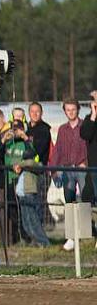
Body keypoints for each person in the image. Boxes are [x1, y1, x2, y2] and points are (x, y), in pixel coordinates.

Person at [50, 98, 88, 251]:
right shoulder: (62, 129)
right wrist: (54, 170)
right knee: (69, 202)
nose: (71, 112)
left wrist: (86, 162)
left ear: (78, 110)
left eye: (73, 109)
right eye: (68, 110)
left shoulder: (84, 126)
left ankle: (88, 234)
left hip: (83, 169)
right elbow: (58, 150)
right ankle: (71, 237)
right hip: (67, 170)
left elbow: (90, 146)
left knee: (87, 200)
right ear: (65, 111)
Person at [0, 108, 27, 244]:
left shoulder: (8, 133)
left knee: (6, 208)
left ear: (3, 118)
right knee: (3, 208)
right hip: (1, 176)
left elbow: (1, 153)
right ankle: (7, 237)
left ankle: (8, 238)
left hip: (8, 175)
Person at [13, 144, 50, 247]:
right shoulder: (24, 167)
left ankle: (43, 241)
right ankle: (35, 240)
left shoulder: (34, 164)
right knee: (26, 222)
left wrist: (19, 164)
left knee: (33, 220)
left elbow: (30, 163)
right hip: (22, 194)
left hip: (29, 194)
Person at [79, 91, 97, 204]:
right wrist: (93, 116)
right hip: (94, 167)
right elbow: (85, 134)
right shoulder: (89, 119)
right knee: (88, 196)